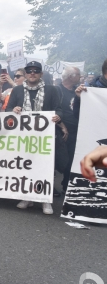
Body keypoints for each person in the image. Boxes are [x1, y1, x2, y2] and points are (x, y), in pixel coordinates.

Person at [6, 61, 63, 215]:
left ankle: (45, 200)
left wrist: (58, 116)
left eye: (36, 71)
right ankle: (27, 197)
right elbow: (8, 109)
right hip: (24, 136)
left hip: (44, 137)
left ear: (41, 74)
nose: (32, 73)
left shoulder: (52, 90)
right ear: (25, 74)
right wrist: (14, 109)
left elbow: (59, 109)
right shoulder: (17, 90)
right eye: (29, 71)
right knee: (26, 166)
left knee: (45, 167)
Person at [56, 66, 81, 197]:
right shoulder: (57, 90)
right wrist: (62, 125)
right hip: (60, 131)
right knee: (57, 160)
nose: (80, 77)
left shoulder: (78, 92)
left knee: (71, 159)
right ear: (71, 76)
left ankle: (66, 185)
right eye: (78, 75)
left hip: (75, 131)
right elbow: (54, 109)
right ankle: (50, 187)